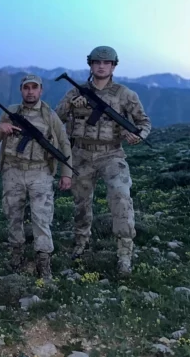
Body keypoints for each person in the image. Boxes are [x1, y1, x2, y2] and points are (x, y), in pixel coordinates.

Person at [56, 46, 151, 275]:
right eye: (97, 62)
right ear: (90, 65)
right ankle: (80, 243)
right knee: (81, 203)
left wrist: (139, 136)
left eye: (106, 63)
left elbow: (144, 122)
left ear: (113, 66)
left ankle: (124, 254)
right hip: (81, 154)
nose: (101, 66)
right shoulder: (75, 92)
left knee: (121, 198)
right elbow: (56, 119)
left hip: (112, 154)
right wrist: (71, 105)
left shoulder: (125, 94)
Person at [0, 75, 72, 280]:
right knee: (13, 215)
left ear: (40, 90)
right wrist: (0, 128)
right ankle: (16, 256)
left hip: (40, 172)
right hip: (13, 170)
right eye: (26, 88)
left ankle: (43, 262)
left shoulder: (50, 116)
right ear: (21, 90)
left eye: (34, 88)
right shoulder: (10, 112)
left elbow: (64, 143)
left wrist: (67, 173)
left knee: (42, 217)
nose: (30, 91)